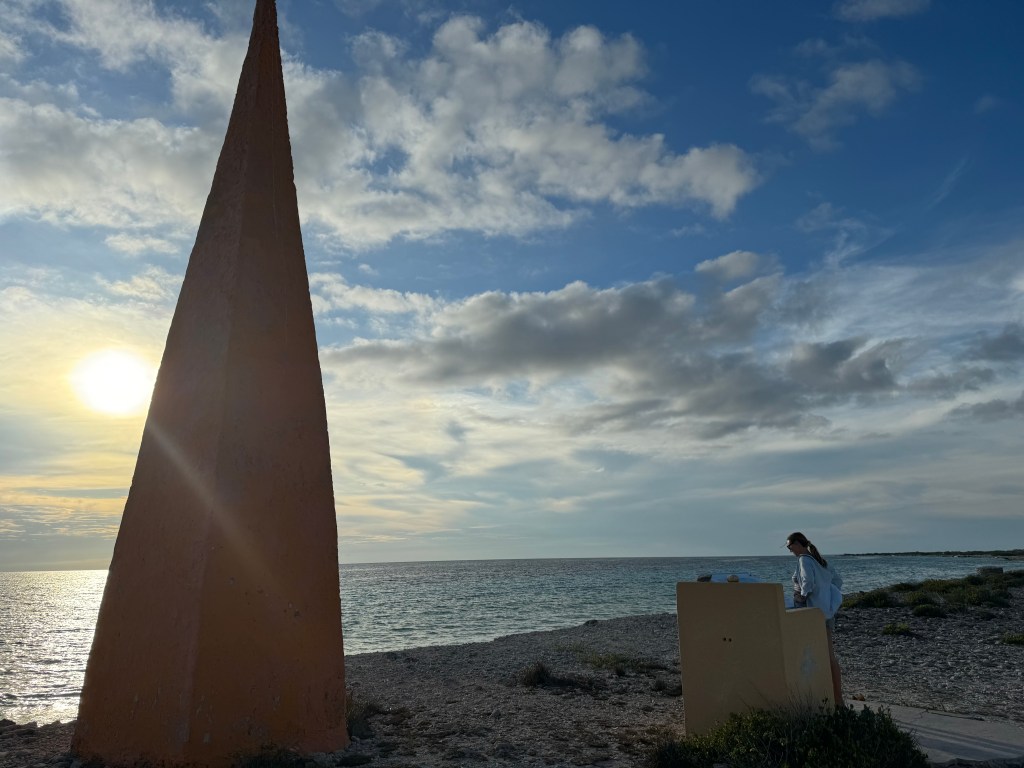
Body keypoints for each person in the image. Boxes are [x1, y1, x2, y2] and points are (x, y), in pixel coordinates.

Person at [785, 531, 844, 707]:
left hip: (812, 613)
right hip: (827, 612)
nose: (790, 550)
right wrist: (826, 596)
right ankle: (837, 699)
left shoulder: (804, 559)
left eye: (790, 547)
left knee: (812, 654)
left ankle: (833, 700)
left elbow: (807, 582)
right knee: (829, 656)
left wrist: (802, 597)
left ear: (797, 544)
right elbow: (838, 581)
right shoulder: (820, 561)